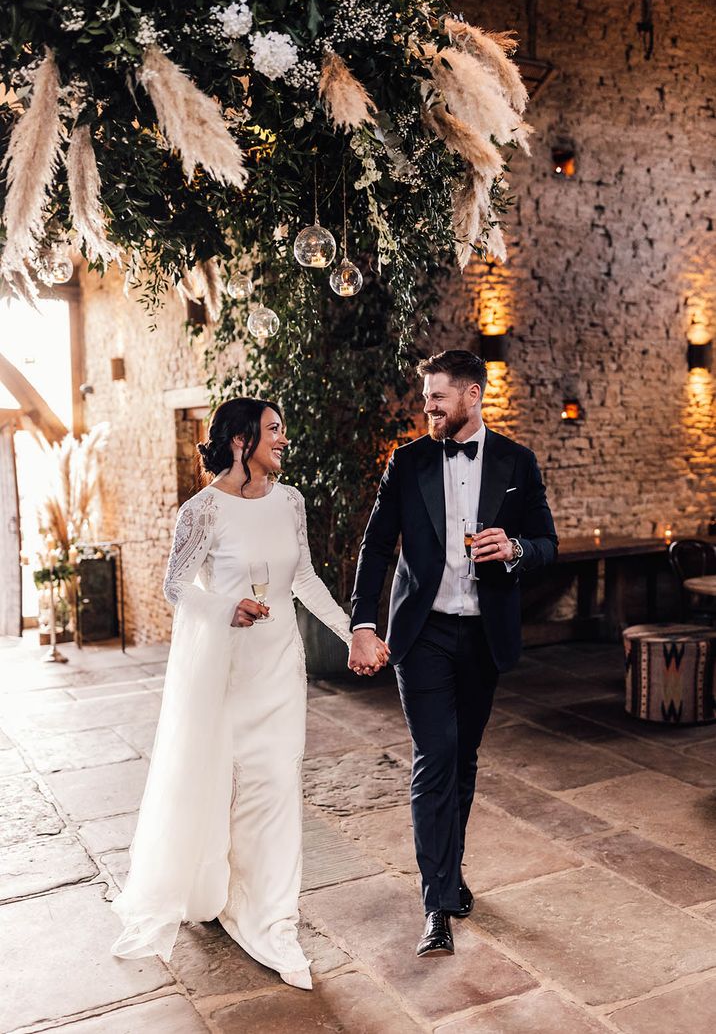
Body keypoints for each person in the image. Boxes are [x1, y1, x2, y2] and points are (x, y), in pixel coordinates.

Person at [111, 397, 387, 989]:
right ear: (241, 442)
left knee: (277, 785)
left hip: (279, 669)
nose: (284, 440)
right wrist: (224, 607)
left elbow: (305, 578)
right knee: (225, 787)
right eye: (273, 431)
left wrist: (352, 632)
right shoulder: (201, 511)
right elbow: (175, 587)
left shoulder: (291, 502)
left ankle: (272, 917)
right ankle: (221, 891)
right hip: (227, 671)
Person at [348, 350, 558, 958]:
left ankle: (450, 871)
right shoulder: (408, 461)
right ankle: (436, 903)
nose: (429, 406)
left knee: (463, 760)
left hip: (483, 637)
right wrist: (362, 622)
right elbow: (376, 544)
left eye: (438, 395)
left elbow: (549, 544)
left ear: (473, 394)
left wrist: (515, 548)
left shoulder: (518, 462)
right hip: (424, 636)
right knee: (435, 758)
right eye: (427, 397)